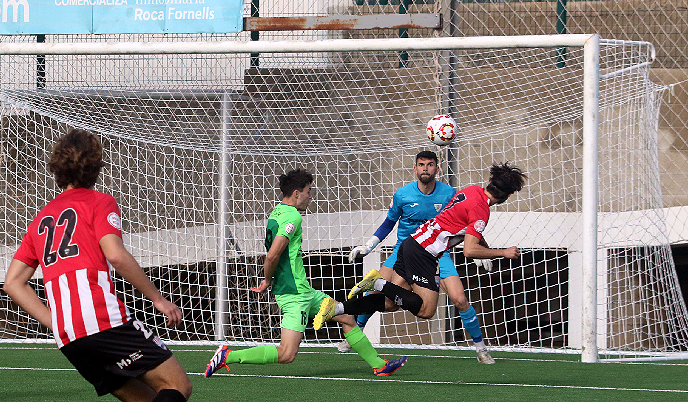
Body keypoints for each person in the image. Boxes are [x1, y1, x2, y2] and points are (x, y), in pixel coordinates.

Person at [2, 128, 192, 402]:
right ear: (95, 164)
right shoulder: (99, 202)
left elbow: (12, 283)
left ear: (58, 167)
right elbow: (116, 256)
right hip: (104, 321)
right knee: (177, 385)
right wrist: (157, 298)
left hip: (70, 337)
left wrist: (56, 322)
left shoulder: (42, 219)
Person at [204, 168, 408, 379]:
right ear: (296, 193)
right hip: (294, 295)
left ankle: (378, 365)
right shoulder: (293, 217)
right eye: (308, 192)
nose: (310, 197)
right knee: (286, 354)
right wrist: (267, 279)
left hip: (304, 291)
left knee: (348, 318)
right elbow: (273, 255)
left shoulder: (277, 211)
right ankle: (228, 356)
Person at [314, 162, 527, 345]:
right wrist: (502, 252)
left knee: (390, 303)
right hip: (424, 252)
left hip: (412, 244)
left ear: (490, 181)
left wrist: (485, 248)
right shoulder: (482, 210)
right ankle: (377, 284)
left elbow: (467, 227)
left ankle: (338, 307)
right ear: (509, 194)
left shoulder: (471, 191)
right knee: (426, 310)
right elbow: (469, 250)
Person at [342, 150, 497, 364]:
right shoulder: (402, 195)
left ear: (437, 168)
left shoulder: (449, 193)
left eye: (430, 164)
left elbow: (469, 219)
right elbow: (389, 223)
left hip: (438, 253)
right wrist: (370, 245)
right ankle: (355, 333)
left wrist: (479, 247)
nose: (426, 168)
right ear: (415, 169)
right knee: (383, 296)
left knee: (460, 299)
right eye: (421, 164)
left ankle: (481, 349)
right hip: (405, 250)